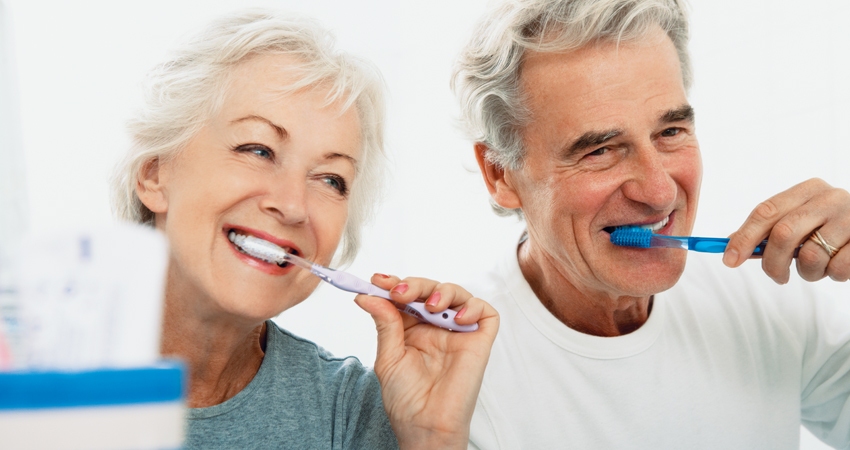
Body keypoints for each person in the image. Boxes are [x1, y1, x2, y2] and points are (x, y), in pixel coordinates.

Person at [451, 0, 850, 448]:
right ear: (500, 173)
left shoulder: (766, 300)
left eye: (670, 133)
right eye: (600, 150)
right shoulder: (453, 384)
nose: (659, 192)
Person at [110, 9, 498, 449]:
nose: (294, 206)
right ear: (154, 174)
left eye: (331, 180)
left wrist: (432, 439)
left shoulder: (354, 413)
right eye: (258, 150)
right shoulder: (30, 368)